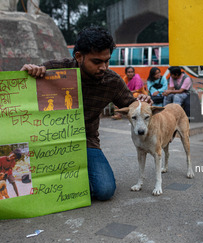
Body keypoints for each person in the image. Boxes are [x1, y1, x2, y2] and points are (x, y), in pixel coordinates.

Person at [20, 26, 151, 201]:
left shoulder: (112, 81)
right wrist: (24, 75)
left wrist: (143, 102)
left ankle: (66, 183)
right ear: (79, 56)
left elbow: (132, 105)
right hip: (46, 140)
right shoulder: (53, 70)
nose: (103, 67)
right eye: (97, 62)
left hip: (85, 141)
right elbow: (19, 99)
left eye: (107, 61)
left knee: (105, 190)